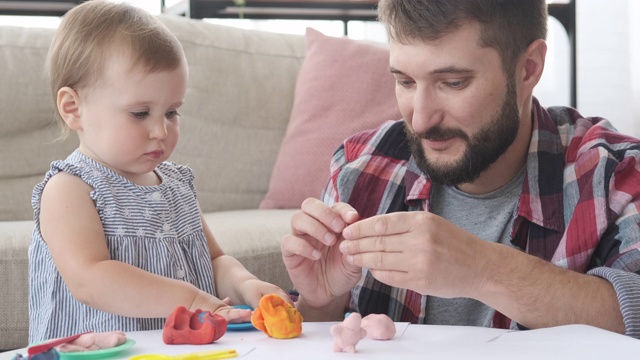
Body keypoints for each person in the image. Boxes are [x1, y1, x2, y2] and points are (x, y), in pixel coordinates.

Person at [281, 0, 640, 338]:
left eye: (452, 83)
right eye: (405, 81)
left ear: (528, 68)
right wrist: (321, 302)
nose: (420, 121)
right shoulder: (360, 168)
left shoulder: (613, 174)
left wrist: (482, 269)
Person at [29, 0, 288, 342]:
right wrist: (192, 299)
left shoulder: (177, 184)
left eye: (171, 112)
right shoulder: (70, 188)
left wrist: (246, 284)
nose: (161, 132)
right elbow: (89, 280)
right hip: (100, 351)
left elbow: (214, 260)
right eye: (140, 113)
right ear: (73, 108)